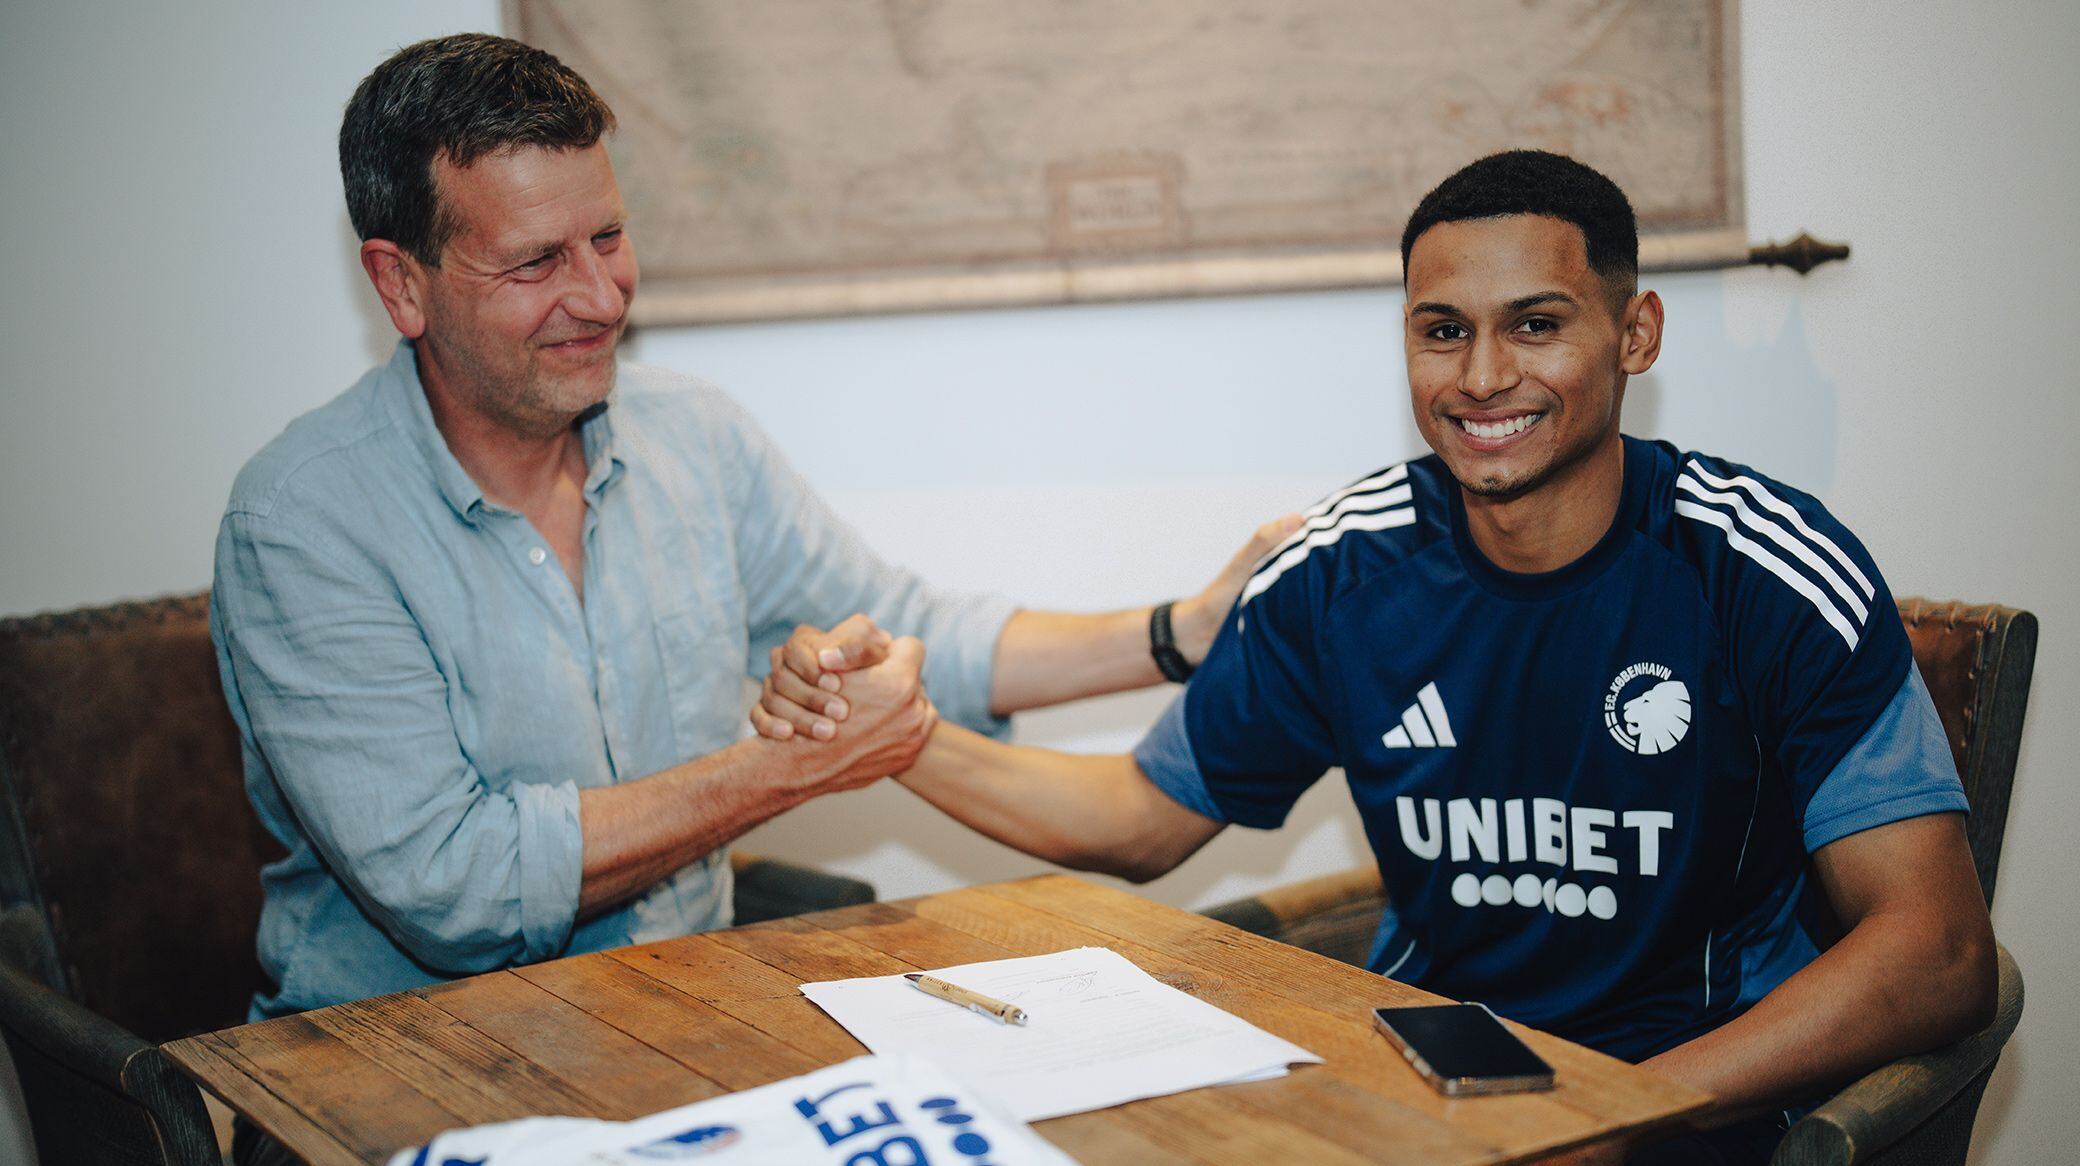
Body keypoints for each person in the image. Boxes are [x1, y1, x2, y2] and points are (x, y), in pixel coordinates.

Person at [757, 150, 1997, 1161]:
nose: (1483, 376)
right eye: (1442, 330)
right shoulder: (1344, 570)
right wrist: (902, 737)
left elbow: (1937, 952)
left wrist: (1614, 1112)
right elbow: (1138, 815)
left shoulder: (1762, 566)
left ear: (1636, 333)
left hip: (1694, 1103)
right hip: (1423, 1092)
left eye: (1538, 324)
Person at [209, 30, 1286, 1035]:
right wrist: (790, 767)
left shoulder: (694, 437)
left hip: (684, 1013)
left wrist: (1176, 630)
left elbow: (910, 631)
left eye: (610, 237)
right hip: (406, 1053)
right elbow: (458, 885)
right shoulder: (300, 525)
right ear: (402, 282)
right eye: (537, 262)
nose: (599, 296)